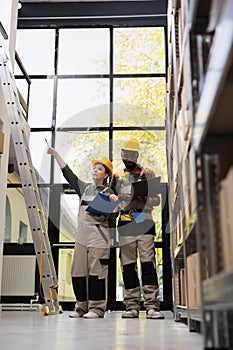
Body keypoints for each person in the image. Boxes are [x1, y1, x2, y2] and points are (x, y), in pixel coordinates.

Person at [47, 147, 118, 319]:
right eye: (94, 167)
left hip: (99, 236)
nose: (95, 170)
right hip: (82, 236)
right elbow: (68, 173)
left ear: (106, 175)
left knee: (97, 273)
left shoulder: (109, 192)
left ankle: (96, 309)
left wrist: (114, 203)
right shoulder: (85, 188)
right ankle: (81, 307)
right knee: (77, 272)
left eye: (100, 168)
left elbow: (114, 216)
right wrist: (56, 154)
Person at [111, 137, 164, 319]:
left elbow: (157, 200)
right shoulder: (117, 176)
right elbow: (111, 199)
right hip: (125, 222)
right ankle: (131, 306)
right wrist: (120, 197)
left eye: (129, 155)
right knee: (128, 265)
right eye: (123, 154)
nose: (125, 158)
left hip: (145, 221)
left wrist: (144, 198)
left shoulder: (148, 173)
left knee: (148, 263)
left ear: (136, 155)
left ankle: (151, 306)